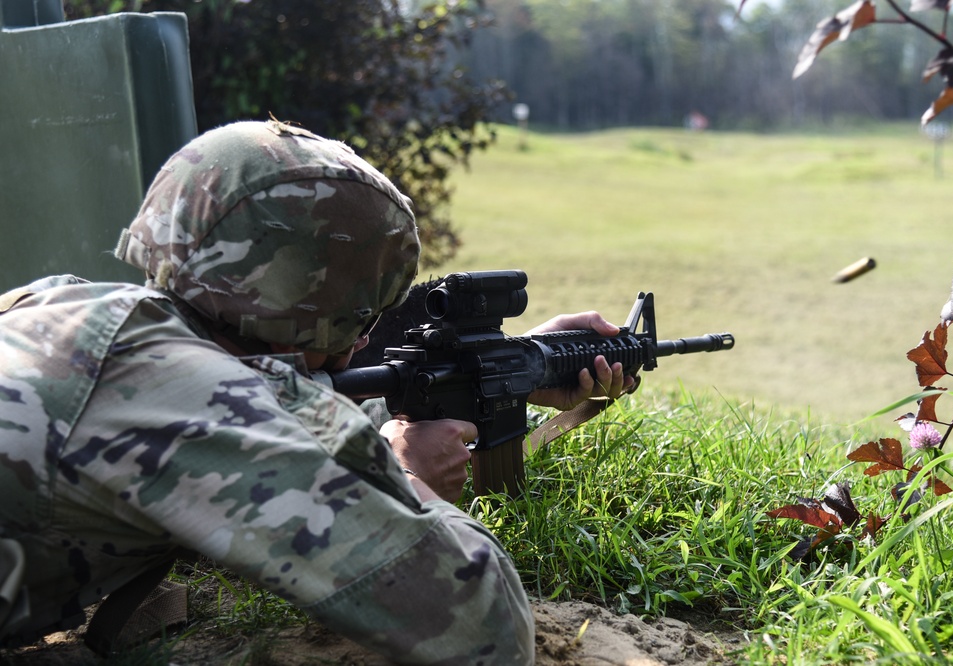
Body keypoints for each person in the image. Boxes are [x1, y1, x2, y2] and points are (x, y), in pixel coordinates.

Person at [0, 119, 629, 663]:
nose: (362, 340)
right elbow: (482, 623)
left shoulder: (65, 304)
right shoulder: (198, 399)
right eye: (363, 315)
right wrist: (403, 474)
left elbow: (277, 409)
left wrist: (515, 369)